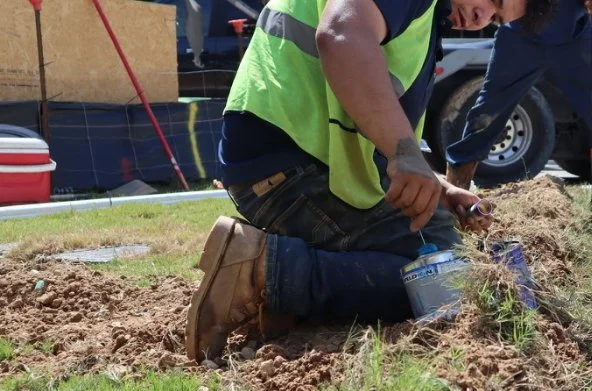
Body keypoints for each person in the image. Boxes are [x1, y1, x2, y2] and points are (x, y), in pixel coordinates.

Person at [185, 0, 558, 363]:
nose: (482, 17)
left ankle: (290, 299)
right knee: (447, 275)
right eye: (492, 0)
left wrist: (438, 188)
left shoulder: (421, 19)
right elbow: (341, 33)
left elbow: (373, 121)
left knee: (440, 251)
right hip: (289, 165)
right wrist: (404, 152)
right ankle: (266, 270)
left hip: (286, 160)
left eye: (495, 18)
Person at [443, 0, 592, 198]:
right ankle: (457, 180)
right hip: (519, 41)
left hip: (572, 37)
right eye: (497, 16)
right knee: (488, 110)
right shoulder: (501, 18)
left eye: (498, 13)